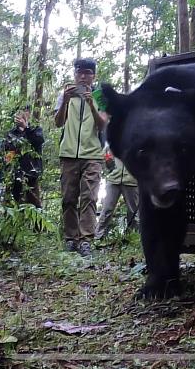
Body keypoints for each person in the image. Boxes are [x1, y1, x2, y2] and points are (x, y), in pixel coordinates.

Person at [54, 58, 108, 256]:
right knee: (68, 198)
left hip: (92, 154)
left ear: (94, 76)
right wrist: (66, 102)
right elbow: (58, 123)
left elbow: (102, 125)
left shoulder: (100, 96)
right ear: (75, 74)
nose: (83, 76)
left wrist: (91, 103)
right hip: (68, 153)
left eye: (87, 73)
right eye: (79, 72)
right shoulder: (65, 95)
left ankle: (86, 240)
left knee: (89, 197)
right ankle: (71, 238)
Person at [1, 105, 44, 207]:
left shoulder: (36, 129)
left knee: (35, 205)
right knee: (13, 204)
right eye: (18, 112)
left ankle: (37, 223)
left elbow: (38, 141)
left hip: (31, 175)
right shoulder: (11, 133)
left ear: (28, 113)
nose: (21, 115)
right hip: (15, 175)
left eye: (24, 111)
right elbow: (8, 152)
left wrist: (26, 128)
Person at [95, 147, 139, 240]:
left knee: (133, 211)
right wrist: (108, 163)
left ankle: (132, 237)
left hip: (131, 181)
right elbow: (104, 155)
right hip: (113, 179)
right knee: (107, 209)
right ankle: (98, 236)